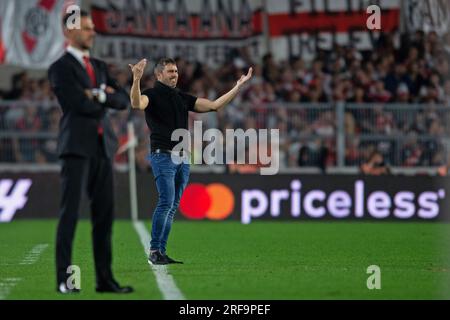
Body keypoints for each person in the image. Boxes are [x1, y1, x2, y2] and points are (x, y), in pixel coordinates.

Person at [129, 57, 252, 265]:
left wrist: (237, 87)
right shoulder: (151, 94)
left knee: (173, 205)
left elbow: (214, 106)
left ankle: (161, 251)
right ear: (159, 75)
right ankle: (154, 250)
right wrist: (136, 80)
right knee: (166, 201)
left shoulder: (181, 97)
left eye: (176, 71)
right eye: (170, 71)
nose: (174, 74)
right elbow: (136, 103)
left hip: (182, 158)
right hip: (163, 155)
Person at [48, 10, 133, 294]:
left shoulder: (98, 64)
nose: (93, 32)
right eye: (87, 28)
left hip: (102, 148)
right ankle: (65, 280)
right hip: (76, 147)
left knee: (104, 217)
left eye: (93, 28)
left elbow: (122, 100)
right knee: (69, 214)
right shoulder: (59, 68)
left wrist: (97, 95)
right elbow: (75, 104)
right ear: (70, 32)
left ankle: (105, 281)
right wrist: (104, 97)